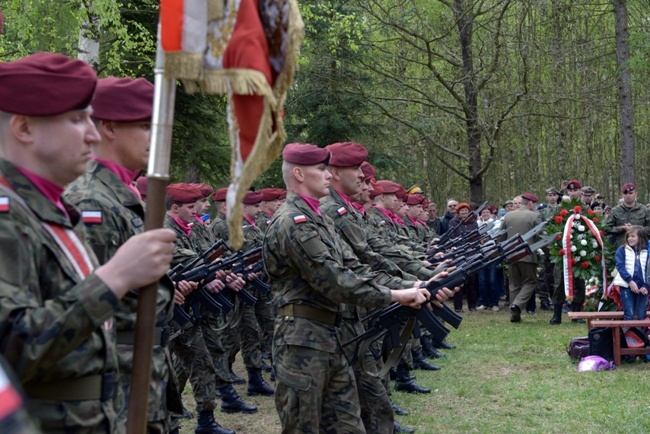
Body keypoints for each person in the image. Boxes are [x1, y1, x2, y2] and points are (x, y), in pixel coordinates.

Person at [0, 52, 175, 432]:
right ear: (24, 128)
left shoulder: (51, 210)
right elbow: (12, 346)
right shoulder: (8, 216)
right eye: (77, 119)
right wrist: (115, 277)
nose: (93, 133)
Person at [263, 143, 451, 433]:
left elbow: (358, 267)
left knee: (350, 426)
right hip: (302, 342)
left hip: (332, 336)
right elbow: (334, 280)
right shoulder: (293, 222)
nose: (328, 175)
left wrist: (416, 284)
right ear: (299, 173)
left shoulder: (319, 218)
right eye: (321, 169)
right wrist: (396, 294)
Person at [64, 77, 179, 433]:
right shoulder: (91, 201)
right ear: (109, 127)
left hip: (142, 370)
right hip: (117, 378)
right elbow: (91, 307)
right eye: (145, 127)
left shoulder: (124, 195)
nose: (155, 137)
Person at [500, 193, 542, 322]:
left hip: (511, 254)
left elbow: (501, 237)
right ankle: (517, 305)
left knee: (514, 284)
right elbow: (540, 237)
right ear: (530, 203)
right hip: (528, 254)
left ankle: (514, 315)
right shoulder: (535, 216)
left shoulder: (508, 215)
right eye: (533, 204)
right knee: (530, 281)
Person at [612, 226, 649, 321]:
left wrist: (646, 285)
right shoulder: (622, 249)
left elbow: (648, 271)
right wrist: (630, 281)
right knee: (629, 315)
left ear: (641, 237)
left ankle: (640, 336)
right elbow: (620, 267)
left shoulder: (647, 251)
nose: (630, 239)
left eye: (633, 236)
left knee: (641, 316)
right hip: (626, 286)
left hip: (642, 287)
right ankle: (627, 336)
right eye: (628, 236)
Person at [605, 183, 650, 248]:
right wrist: (622, 228)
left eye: (630, 193)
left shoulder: (644, 210)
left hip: (641, 247)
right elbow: (606, 229)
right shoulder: (615, 211)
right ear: (622, 195)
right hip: (622, 247)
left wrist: (637, 229)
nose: (628, 195)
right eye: (625, 193)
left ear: (636, 194)